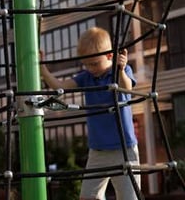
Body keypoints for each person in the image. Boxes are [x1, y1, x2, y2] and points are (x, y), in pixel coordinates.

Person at [40, 27, 140, 200]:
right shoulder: (86, 77)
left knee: (129, 197)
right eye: (86, 64)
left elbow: (127, 88)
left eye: (94, 64)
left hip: (124, 149)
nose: (90, 68)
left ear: (109, 56)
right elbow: (60, 87)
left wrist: (121, 70)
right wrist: (43, 69)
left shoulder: (118, 71)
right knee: (87, 196)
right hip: (97, 150)